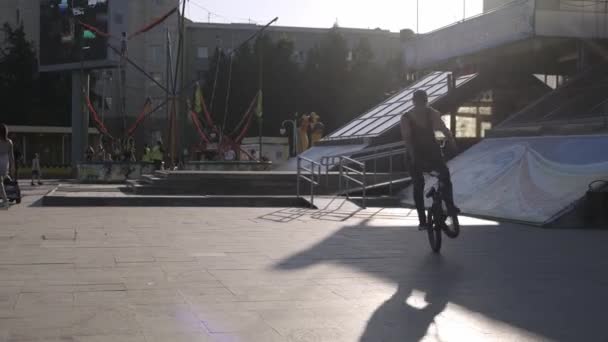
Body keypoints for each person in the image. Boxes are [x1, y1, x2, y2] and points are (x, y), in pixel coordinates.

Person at [400, 90, 459, 229]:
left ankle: (423, 222)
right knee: (444, 176)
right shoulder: (431, 113)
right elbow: (442, 132)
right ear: (426, 100)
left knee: (418, 185)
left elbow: (408, 139)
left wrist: (414, 158)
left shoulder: (406, 117)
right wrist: (450, 145)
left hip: (420, 155)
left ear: (413, 101)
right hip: (429, 154)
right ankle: (449, 207)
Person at [0, 124, 16, 209]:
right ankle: (4, 200)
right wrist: (12, 167)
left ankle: (5, 200)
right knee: (1, 181)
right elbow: (11, 156)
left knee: (0, 182)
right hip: (5, 162)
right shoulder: (9, 142)